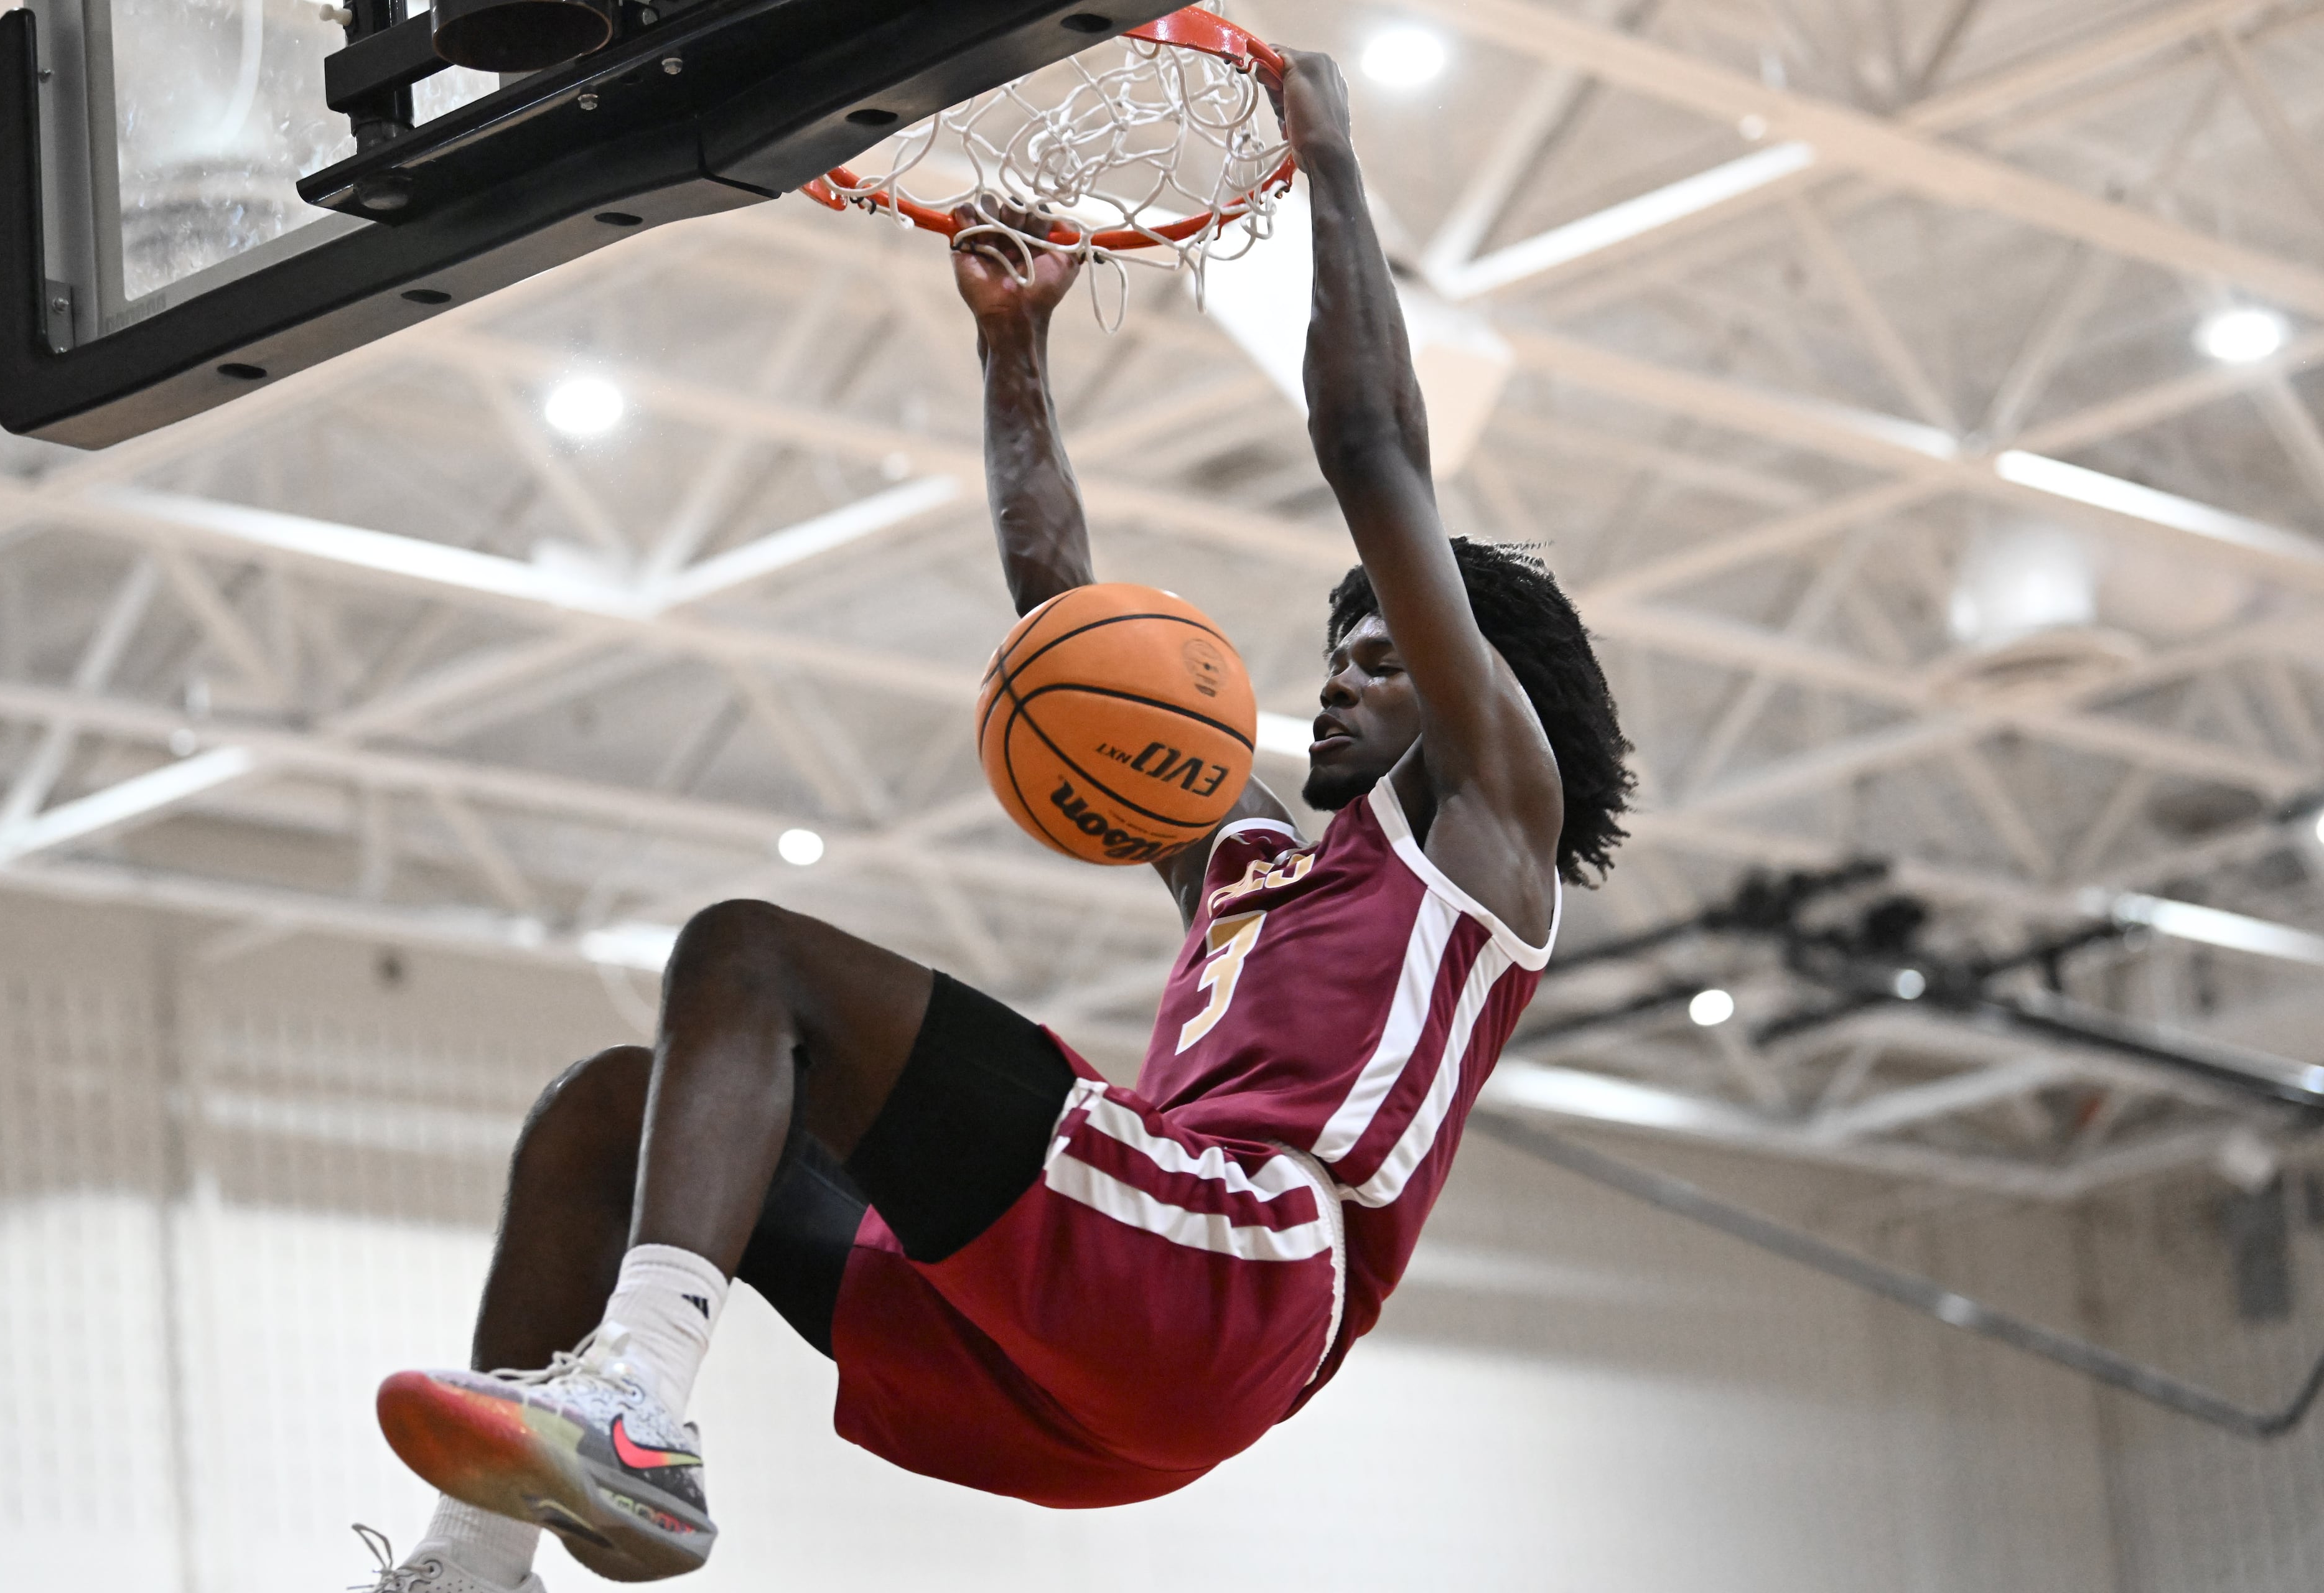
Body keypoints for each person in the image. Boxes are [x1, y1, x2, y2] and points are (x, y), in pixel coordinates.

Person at [357, 49, 1634, 1593]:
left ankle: (634, 1408)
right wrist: (1014, 347)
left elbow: (1373, 452)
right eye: (1336, 655)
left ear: (1475, 689)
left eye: (1381, 658)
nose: (1339, 683)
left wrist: (1333, 168)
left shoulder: (1488, 835)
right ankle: (469, 1568)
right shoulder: (1251, 872)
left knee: (753, 958)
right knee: (601, 1111)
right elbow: (1065, 617)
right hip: (1092, 1385)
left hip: (1232, 1272)